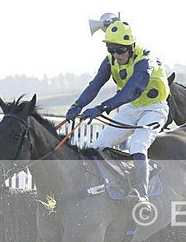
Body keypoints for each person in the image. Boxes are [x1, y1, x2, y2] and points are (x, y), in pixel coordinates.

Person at [65, 20, 170, 206]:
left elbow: (132, 90)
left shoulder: (145, 59)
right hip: (131, 108)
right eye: (111, 50)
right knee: (98, 145)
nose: (115, 54)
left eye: (120, 50)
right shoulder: (111, 60)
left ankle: (142, 195)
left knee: (137, 144)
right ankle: (106, 186)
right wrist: (77, 105)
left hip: (154, 109)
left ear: (131, 46)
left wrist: (101, 108)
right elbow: (96, 84)